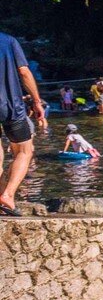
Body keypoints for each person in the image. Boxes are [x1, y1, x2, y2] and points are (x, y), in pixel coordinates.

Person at [0, 33, 44, 216]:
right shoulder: (9, 41)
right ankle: (8, 195)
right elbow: (24, 72)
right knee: (25, 151)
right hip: (11, 106)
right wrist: (36, 101)